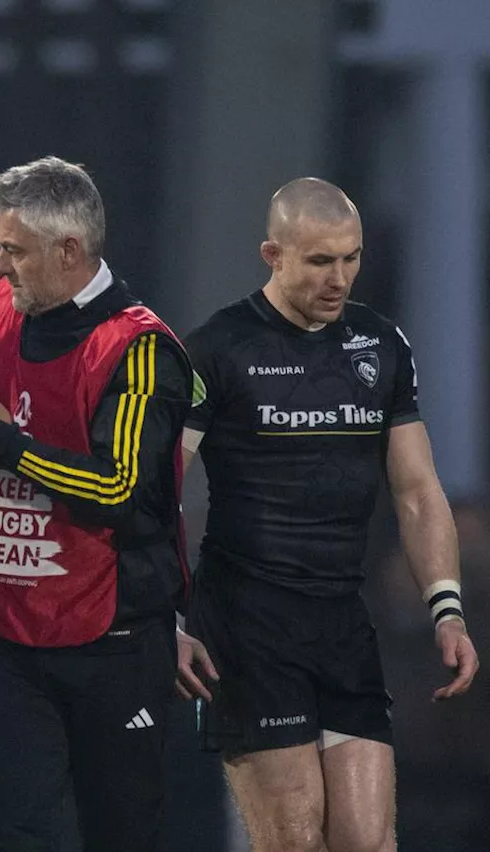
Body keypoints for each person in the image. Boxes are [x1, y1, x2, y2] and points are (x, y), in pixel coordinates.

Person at [0, 156, 215, 852]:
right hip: (5, 641)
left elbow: (117, 491)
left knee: (117, 837)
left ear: (70, 251)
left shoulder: (140, 350)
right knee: (24, 838)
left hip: (112, 643)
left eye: (14, 252)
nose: (0, 268)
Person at [182, 177, 480, 852]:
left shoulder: (380, 345)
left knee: (368, 843)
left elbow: (417, 491)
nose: (339, 277)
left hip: (341, 626)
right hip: (246, 628)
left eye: (351, 258)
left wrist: (447, 609)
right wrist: (167, 615)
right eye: (320, 261)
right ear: (273, 254)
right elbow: (153, 489)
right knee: (294, 841)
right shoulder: (217, 350)